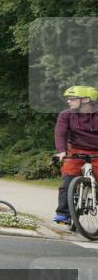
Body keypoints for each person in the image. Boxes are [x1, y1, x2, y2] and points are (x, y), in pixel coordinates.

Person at [54, 86, 98, 227]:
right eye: (68, 99)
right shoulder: (66, 115)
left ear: (86, 100)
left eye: (72, 99)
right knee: (68, 179)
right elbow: (60, 133)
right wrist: (61, 151)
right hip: (76, 151)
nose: (68, 101)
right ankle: (64, 213)